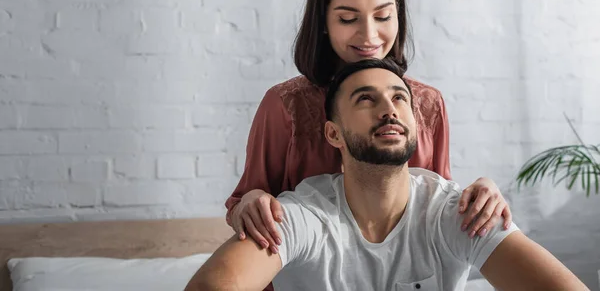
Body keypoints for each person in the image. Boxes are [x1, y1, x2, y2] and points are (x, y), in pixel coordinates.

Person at [186, 58, 588, 291]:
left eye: (399, 98)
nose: (389, 108)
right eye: (366, 99)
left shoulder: (455, 213)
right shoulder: (303, 218)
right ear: (333, 133)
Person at [226, 0, 512, 256]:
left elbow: (438, 201)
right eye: (348, 19)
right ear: (323, 22)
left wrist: (483, 192)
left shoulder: (427, 104)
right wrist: (252, 203)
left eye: (383, 16)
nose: (369, 35)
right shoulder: (285, 106)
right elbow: (245, 201)